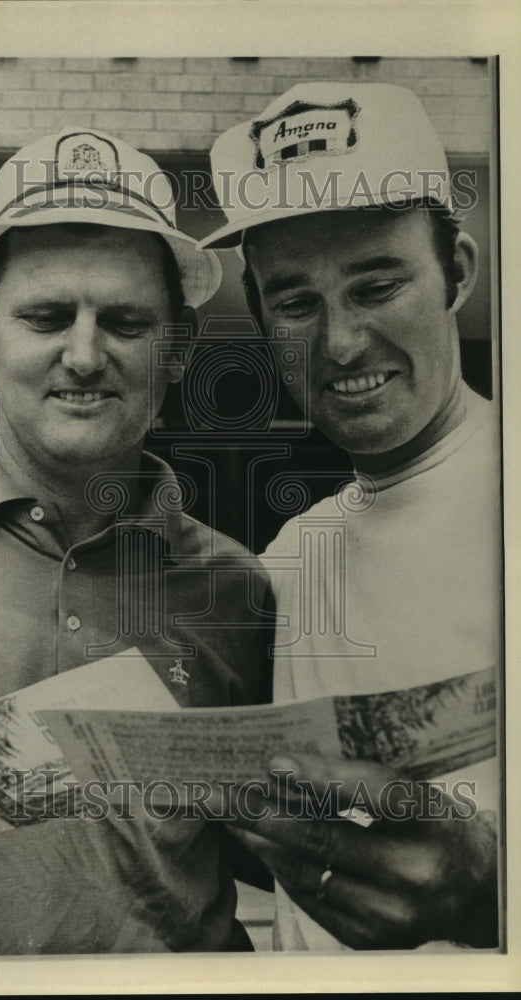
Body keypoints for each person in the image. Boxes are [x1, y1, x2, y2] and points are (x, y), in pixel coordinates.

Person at [0, 127, 273, 954]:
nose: (85, 356)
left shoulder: (242, 590)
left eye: (125, 322)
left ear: (176, 351)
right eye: (48, 316)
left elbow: (274, 846)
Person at [200, 82, 502, 950]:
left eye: (376, 285)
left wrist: (496, 894)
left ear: (459, 273)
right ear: (261, 319)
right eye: (297, 302)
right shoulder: (298, 553)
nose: (339, 343)